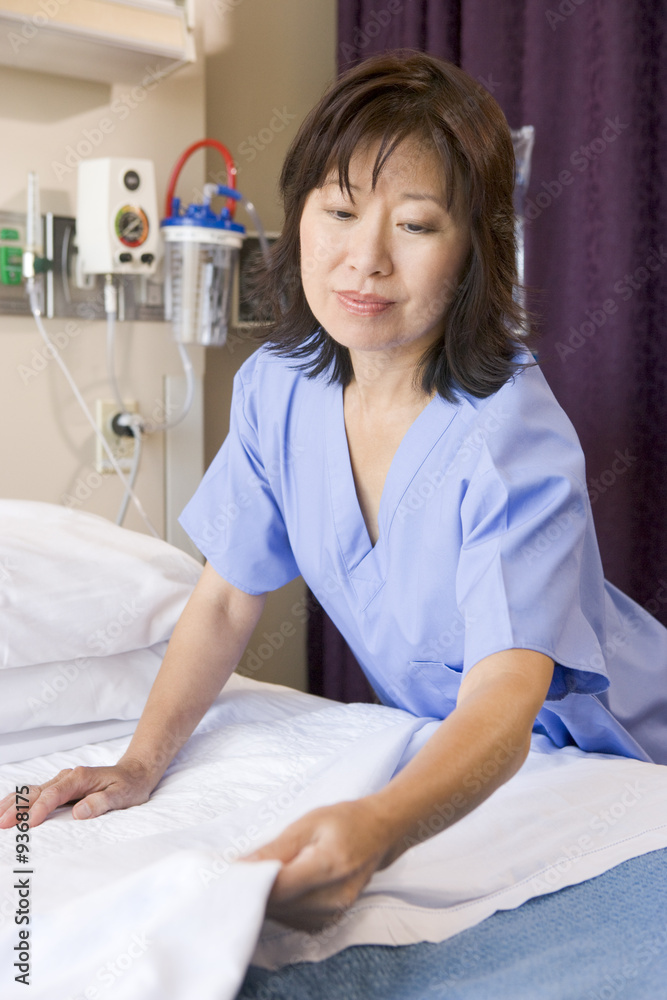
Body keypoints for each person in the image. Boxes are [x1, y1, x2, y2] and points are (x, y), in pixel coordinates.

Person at [1, 51, 666, 931]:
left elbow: (505, 697)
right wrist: (139, 763)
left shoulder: (511, 438)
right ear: (301, 216)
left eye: (417, 226)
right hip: (455, 751)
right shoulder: (279, 389)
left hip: (620, 752)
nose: (365, 260)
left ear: (475, 251)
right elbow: (225, 598)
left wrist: (378, 825)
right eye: (340, 210)